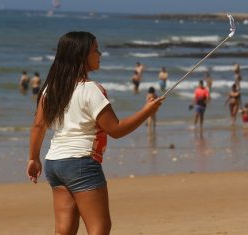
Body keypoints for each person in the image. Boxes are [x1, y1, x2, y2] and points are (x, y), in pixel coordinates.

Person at [26, 31, 164, 235]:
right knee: (100, 228)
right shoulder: (91, 90)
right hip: (81, 163)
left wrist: (33, 158)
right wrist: (146, 112)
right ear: (81, 55)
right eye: (95, 50)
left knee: (64, 230)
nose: (100, 54)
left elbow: (38, 126)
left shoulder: (50, 89)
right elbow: (116, 129)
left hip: (55, 162)